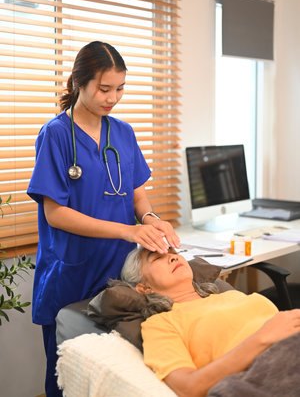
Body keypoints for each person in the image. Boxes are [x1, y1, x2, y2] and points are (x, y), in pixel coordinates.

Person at [27, 41, 180, 396]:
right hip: (72, 272)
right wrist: (129, 230)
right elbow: (56, 213)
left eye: (120, 88)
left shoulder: (123, 133)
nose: (112, 97)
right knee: (68, 376)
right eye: (104, 88)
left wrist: (151, 218)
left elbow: (137, 192)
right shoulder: (56, 135)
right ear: (79, 83)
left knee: (115, 376)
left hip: (118, 272)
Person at [120, 246, 300, 397]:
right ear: (144, 288)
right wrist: (263, 338)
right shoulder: (160, 324)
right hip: (266, 370)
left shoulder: (233, 295)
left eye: (174, 253)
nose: (173, 258)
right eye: (158, 257)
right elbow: (188, 386)